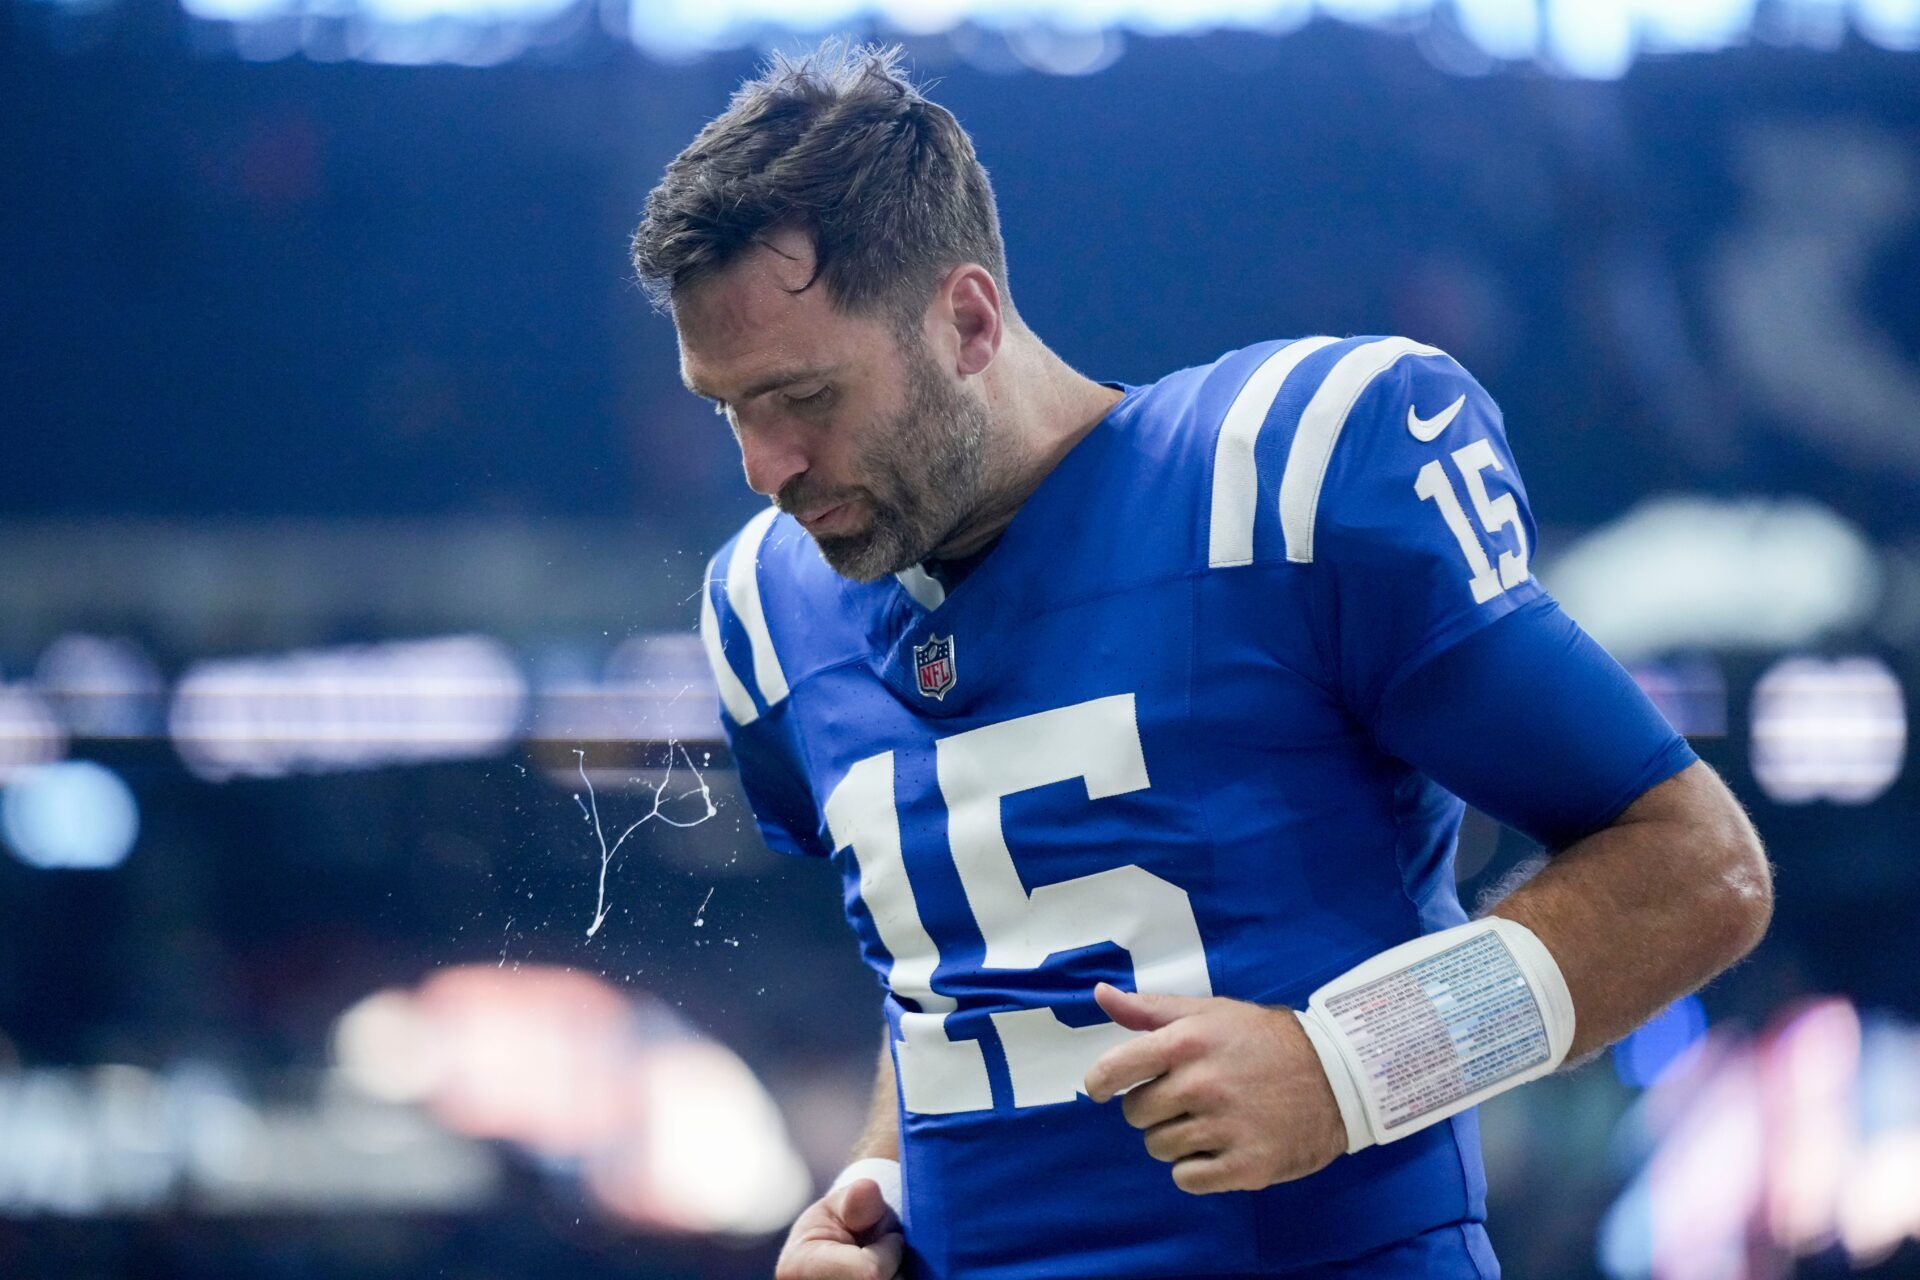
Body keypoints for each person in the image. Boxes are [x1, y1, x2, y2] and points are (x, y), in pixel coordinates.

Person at [629, 40, 1772, 1280]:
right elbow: (949, 967)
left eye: (802, 396)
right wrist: (877, 1182)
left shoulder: (1288, 477)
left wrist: (1350, 1067)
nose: (765, 466)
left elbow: (1697, 870)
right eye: (729, 406)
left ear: (966, 321)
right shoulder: (768, 604)